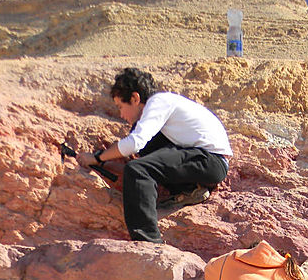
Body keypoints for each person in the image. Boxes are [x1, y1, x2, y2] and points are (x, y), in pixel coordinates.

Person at [79, 67, 232, 243]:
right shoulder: (163, 106)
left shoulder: (159, 102)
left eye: (121, 106)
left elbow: (134, 144)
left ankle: (148, 240)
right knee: (144, 148)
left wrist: (97, 157)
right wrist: (103, 166)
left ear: (135, 98)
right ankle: (191, 190)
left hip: (210, 161)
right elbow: (142, 151)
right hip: (203, 161)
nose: (121, 114)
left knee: (137, 169)